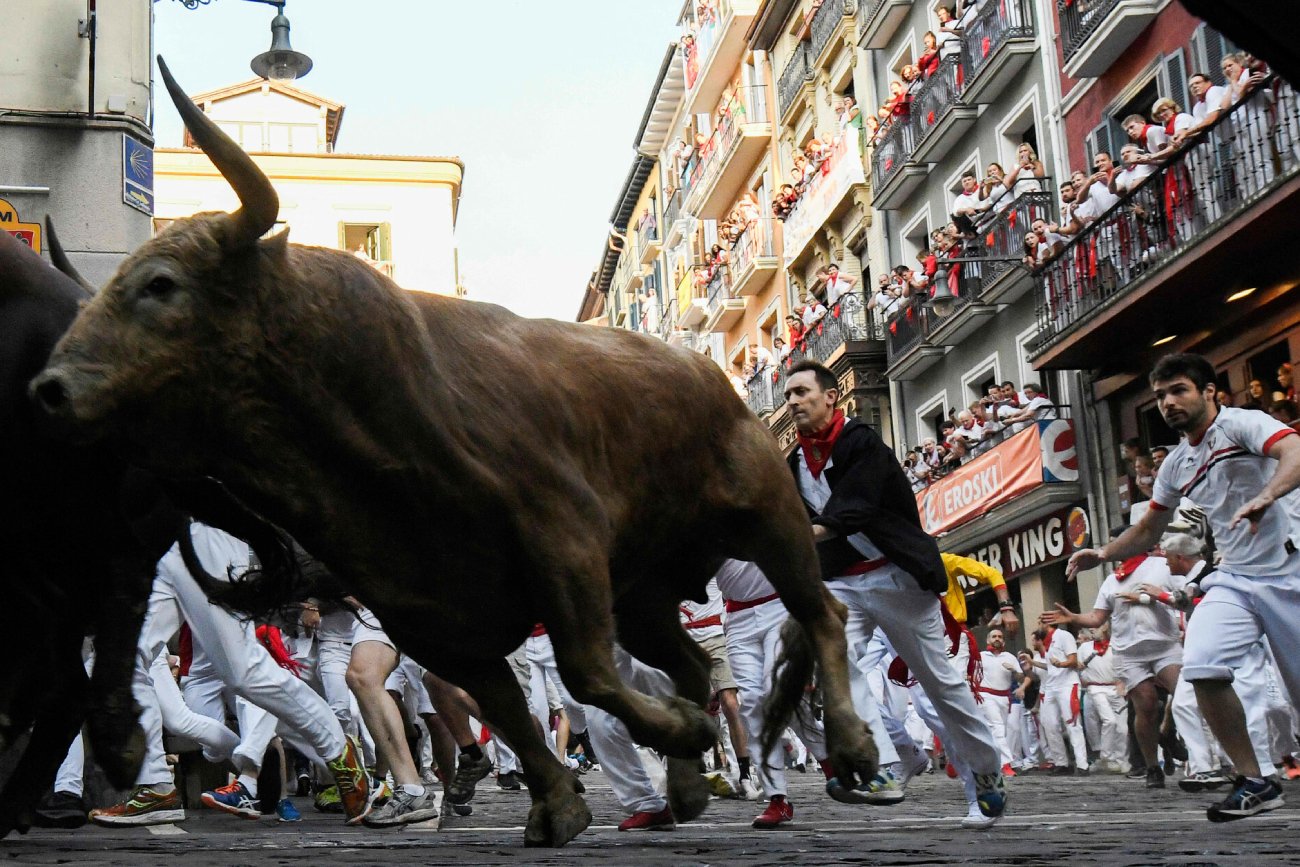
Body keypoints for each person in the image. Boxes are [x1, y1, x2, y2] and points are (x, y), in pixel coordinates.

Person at [1067, 352, 1300, 821]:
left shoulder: (1242, 425)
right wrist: (1104, 552)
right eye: (1159, 396)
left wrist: (1267, 494)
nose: (1168, 402)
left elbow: (1294, 451)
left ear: (1209, 392)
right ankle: (1255, 780)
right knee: (1202, 666)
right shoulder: (1176, 463)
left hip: (1289, 570)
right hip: (1235, 577)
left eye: (1179, 391)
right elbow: (1151, 528)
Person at [781, 360, 1007, 822]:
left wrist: (802, 534)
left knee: (940, 685)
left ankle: (985, 772)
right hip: (843, 581)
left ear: (830, 398)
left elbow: (856, 507)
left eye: (802, 392)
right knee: (835, 663)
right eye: (788, 395)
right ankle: (881, 766)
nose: (793, 401)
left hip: (896, 577)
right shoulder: (793, 463)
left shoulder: (862, 443)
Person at [1044, 546, 1183, 788]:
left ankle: (1170, 734)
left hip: (1165, 645)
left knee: (1184, 696)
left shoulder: (1161, 566)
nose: (1113, 548)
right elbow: (1097, 618)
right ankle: (1151, 767)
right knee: (1146, 706)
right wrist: (1073, 617)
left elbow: (1183, 596)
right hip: (1129, 652)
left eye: (1117, 542)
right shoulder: (1111, 580)